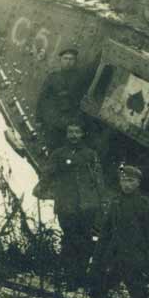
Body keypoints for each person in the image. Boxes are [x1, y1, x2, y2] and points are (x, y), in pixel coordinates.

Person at [92, 165, 149, 298]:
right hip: (115, 260)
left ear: (138, 183)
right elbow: (105, 234)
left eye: (131, 181)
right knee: (97, 288)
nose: (126, 184)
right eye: (123, 180)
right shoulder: (116, 202)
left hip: (135, 263)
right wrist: (97, 259)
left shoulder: (147, 206)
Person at [42, 123, 105, 287]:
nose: (74, 135)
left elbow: (98, 179)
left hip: (87, 205)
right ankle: (70, 277)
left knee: (84, 239)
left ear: (83, 134)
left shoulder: (90, 154)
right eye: (71, 132)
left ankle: (81, 276)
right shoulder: (58, 154)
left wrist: (101, 200)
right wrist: (41, 189)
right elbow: (48, 173)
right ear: (66, 134)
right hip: (66, 205)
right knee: (69, 239)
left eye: (77, 132)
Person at [35, 47, 91, 151]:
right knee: (50, 144)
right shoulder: (53, 77)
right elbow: (42, 97)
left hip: (68, 120)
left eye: (71, 59)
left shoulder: (79, 78)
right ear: (60, 60)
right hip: (53, 117)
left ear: (75, 62)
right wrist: (38, 118)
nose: (68, 62)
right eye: (65, 59)